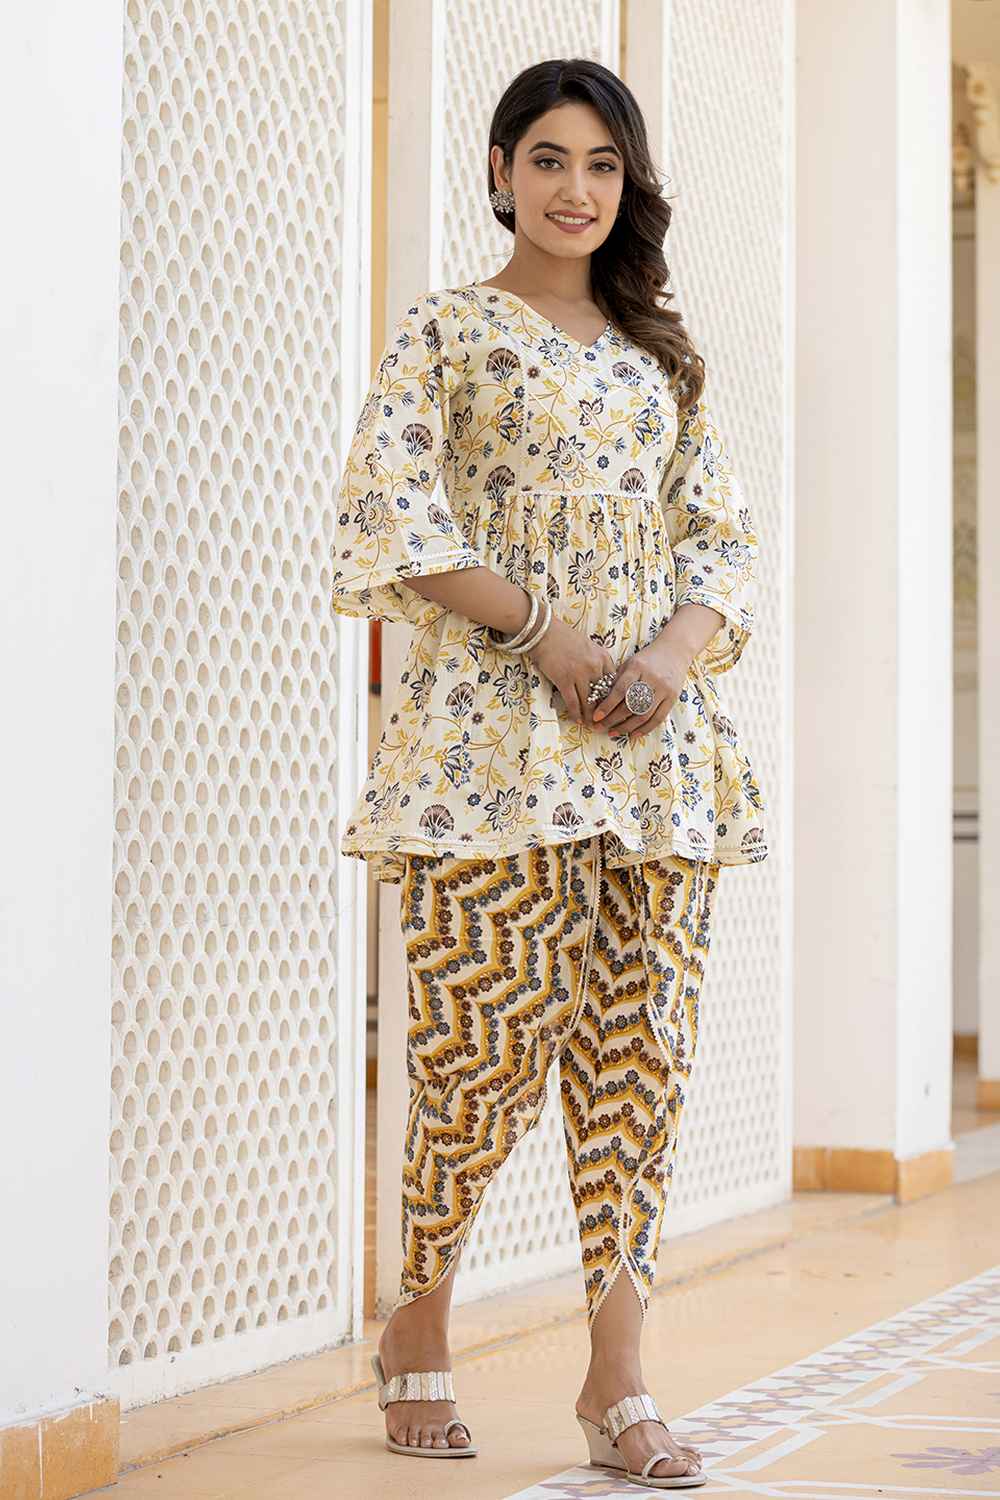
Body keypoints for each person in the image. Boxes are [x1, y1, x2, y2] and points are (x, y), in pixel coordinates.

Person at [331, 56, 768, 1491]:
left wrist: (667, 659)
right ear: (501, 172)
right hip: (488, 751)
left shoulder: (663, 358)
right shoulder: (449, 330)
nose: (577, 189)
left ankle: (617, 1378)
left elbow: (719, 540)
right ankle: (418, 1321)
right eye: (549, 160)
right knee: (478, 1051)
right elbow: (396, 514)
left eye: (603, 164)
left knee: (642, 1061)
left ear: (630, 184)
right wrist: (549, 637)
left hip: (652, 759)